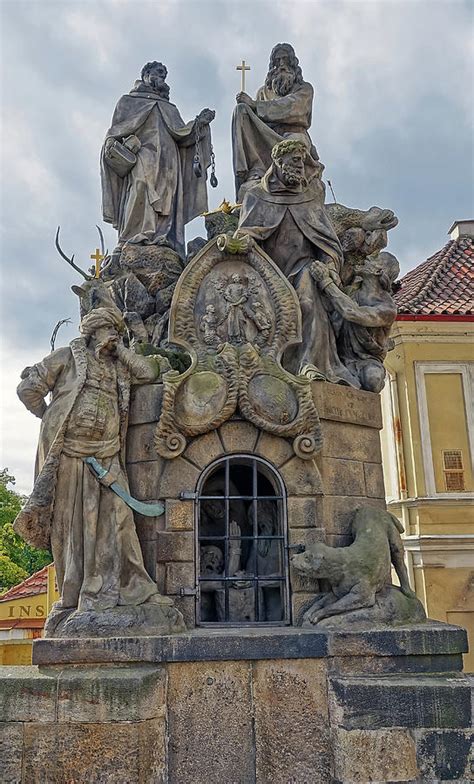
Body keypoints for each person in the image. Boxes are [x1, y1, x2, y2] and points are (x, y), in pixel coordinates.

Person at [14, 306, 177, 632]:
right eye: (108, 330)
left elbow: (146, 373)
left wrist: (120, 350)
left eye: (117, 331)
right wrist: (51, 417)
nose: (113, 336)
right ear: (91, 332)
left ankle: (133, 588)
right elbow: (27, 389)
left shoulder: (118, 365)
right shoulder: (67, 358)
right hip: (70, 457)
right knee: (72, 529)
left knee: (120, 522)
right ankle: (76, 595)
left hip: (107, 457)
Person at [237, 139, 356, 384]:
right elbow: (246, 234)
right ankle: (264, 365)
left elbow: (328, 242)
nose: (299, 166)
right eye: (294, 161)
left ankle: (309, 365)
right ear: (278, 162)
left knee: (307, 300)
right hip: (267, 273)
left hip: (304, 267)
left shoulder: (310, 197)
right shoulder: (257, 196)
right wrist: (241, 242)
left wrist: (329, 265)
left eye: (302, 162)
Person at [101, 61, 215, 258]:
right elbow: (115, 132)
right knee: (140, 187)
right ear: (146, 74)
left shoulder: (169, 108)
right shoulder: (128, 102)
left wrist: (199, 123)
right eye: (158, 72)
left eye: (164, 74)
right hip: (142, 155)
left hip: (169, 160)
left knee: (167, 198)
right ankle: (132, 236)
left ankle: (162, 237)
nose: (162, 76)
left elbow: (183, 134)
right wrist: (113, 144)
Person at [232, 43, 320, 199]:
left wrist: (256, 105)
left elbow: (293, 108)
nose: (281, 65)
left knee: (294, 143)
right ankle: (255, 171)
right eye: (277, 61)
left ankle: (291, 179)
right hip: (267, 138)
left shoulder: (304, 89)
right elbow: (256, 122)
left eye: (285, 60)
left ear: (293, 63)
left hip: (293, 135)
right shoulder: (263, 92)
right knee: (241, 111)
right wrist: (248, 106)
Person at [311, 252, 399, 392]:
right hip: (336, 354)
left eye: (374, 258)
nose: (368, 257)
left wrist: (325, 282)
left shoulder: (387, 309)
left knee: (373, 379)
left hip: (365, 360)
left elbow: (352, 312)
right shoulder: (351, 291)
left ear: (377, 271)